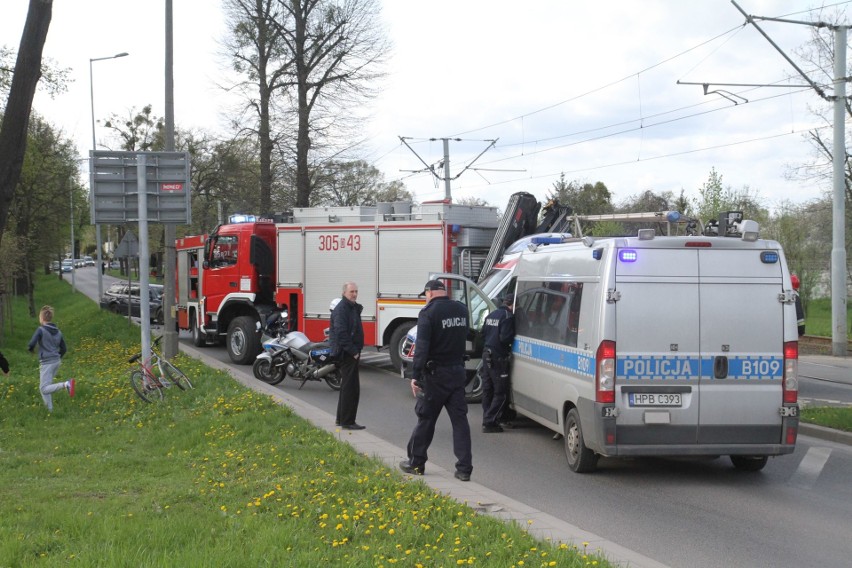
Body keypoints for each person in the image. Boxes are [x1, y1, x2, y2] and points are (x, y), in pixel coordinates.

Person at [400, 279, 473, 482]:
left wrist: (415, 376)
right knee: (460, 422)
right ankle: (464, 468)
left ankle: (416, 463)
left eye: (425, 295)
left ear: (429, 293)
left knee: (426, 419)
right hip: (457, 372)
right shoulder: (461, 309)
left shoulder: (428, 313)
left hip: (435, 376)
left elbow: (421, 347)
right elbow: (465, 335)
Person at [330, 281, 365, 430]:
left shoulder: (351, 308)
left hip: (350, 352)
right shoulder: (342, 309)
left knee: (347, 387)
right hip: (347, 353)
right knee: (351, 388)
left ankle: (341, 419)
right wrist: (354, 352)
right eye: (352, 292)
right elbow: (341, 333)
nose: (355, 294)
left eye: (356, 291)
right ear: (344, 293)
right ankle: (348, 421)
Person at [28, 305, 74, 411]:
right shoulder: (58, 332)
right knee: (44, 387)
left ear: (41, 318)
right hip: (56, 361)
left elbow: (31, 343)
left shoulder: (40, 330)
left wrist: (31, 350)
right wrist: (57, 357)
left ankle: (66, 384)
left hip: (47, 362)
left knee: (44, 388)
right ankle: (49, 410)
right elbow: (64, 349)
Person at [481, 293, 515, 433]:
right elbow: (505, 338)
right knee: (501, 392)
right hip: (498, 357)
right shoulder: (508, 317)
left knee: (488, 389)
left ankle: (487, 417)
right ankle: (490, 422)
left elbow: (483, 333)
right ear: (512, 305)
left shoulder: (491, 315)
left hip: (486, 354)